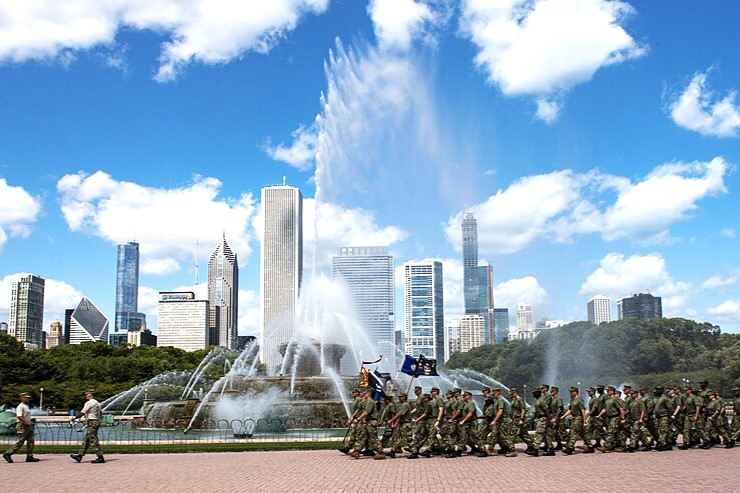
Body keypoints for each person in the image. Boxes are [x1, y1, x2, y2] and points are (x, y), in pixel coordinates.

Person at [348, 389, 386, 460]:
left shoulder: (370, 401)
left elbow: (366, 412)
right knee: (362, 436)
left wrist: (358, 419)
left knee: (373, 437)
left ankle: (381, 452)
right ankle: (357, 452)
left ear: (369, 393)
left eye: (364, 393)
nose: (363, 394)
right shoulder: (365, 401)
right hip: (367, 422)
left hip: (371, 422)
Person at [69, 389, 106, 464]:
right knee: (87, 439)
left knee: (93, 439)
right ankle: (79, 456)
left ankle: (100, 457)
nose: (86, 396)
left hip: (92, 422)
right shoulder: (98, 403)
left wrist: (74, 418)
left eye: (86, 394)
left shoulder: (89, 403)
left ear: (90, 395)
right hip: (95, 421)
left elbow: (82, 413)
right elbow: (100, 414)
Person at [3, 392, 39, 464]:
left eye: (28, 398)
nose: (28, 399)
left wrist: (30, 421)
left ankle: (29, 456)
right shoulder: (20, 406)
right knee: (21, 441)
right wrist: (27, 422)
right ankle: (8, 453)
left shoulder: (26, 406)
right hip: (22, 426)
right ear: (22, 398)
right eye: (26, 397)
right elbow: (19, 416)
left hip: (27, 426)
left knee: (31, 441)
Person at [560, 386, 593, 455]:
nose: (570, 393)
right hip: (574, 418)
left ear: (575, 392)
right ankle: (590, 446)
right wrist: (563, 416)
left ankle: (570, 448)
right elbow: (570, 410)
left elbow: (583, 411)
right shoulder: (572, 400)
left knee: (573, 432)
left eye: (571, 392)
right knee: (583, 433)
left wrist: (584, 421)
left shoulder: (579, 400)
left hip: (578, 418)